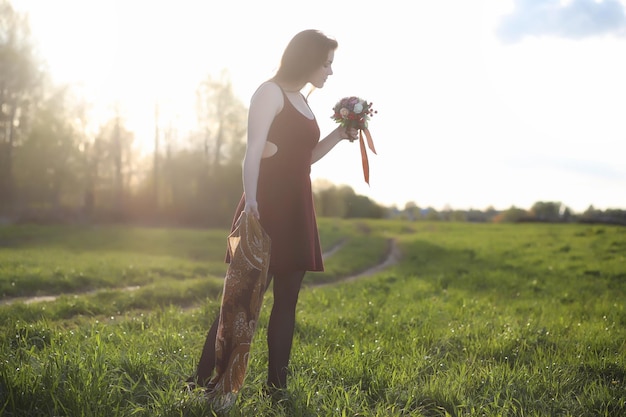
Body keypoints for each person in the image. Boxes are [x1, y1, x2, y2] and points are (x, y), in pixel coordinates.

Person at [189, 29, 358, 396]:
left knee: (288, 302)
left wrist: (339, 134)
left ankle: (276, 388)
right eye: (326, 64)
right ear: (308, 59)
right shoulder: (270, 93)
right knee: (241, 301)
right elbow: (252, 153)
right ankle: (203, 380)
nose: (330, 71)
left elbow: (305, 159)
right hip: (266, 204)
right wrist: (252, 203)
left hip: (298, 207)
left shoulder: (301, 99)